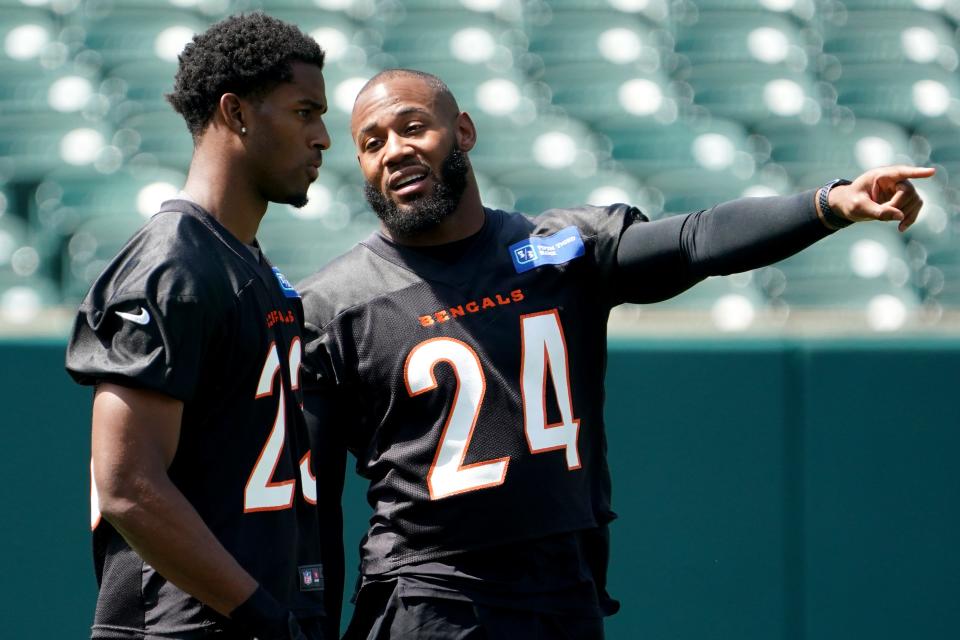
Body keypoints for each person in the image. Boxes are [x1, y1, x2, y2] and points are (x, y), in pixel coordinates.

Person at [297, 68, 933, 639]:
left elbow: (694, 240)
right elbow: (314, 503)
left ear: (462, 131)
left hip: (565, 591)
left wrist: (829, 204)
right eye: (372, 142)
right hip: (431, 598)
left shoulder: (557, 249)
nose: (395, 151)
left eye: (413, 127)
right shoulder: (337, 304)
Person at [65, 13, 335, 640]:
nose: (323, 137)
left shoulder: (249, 264)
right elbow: (127, 484)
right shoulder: (172, 263)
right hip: (184, 625)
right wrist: (264, 616)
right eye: (304, 112)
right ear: (237, 113)